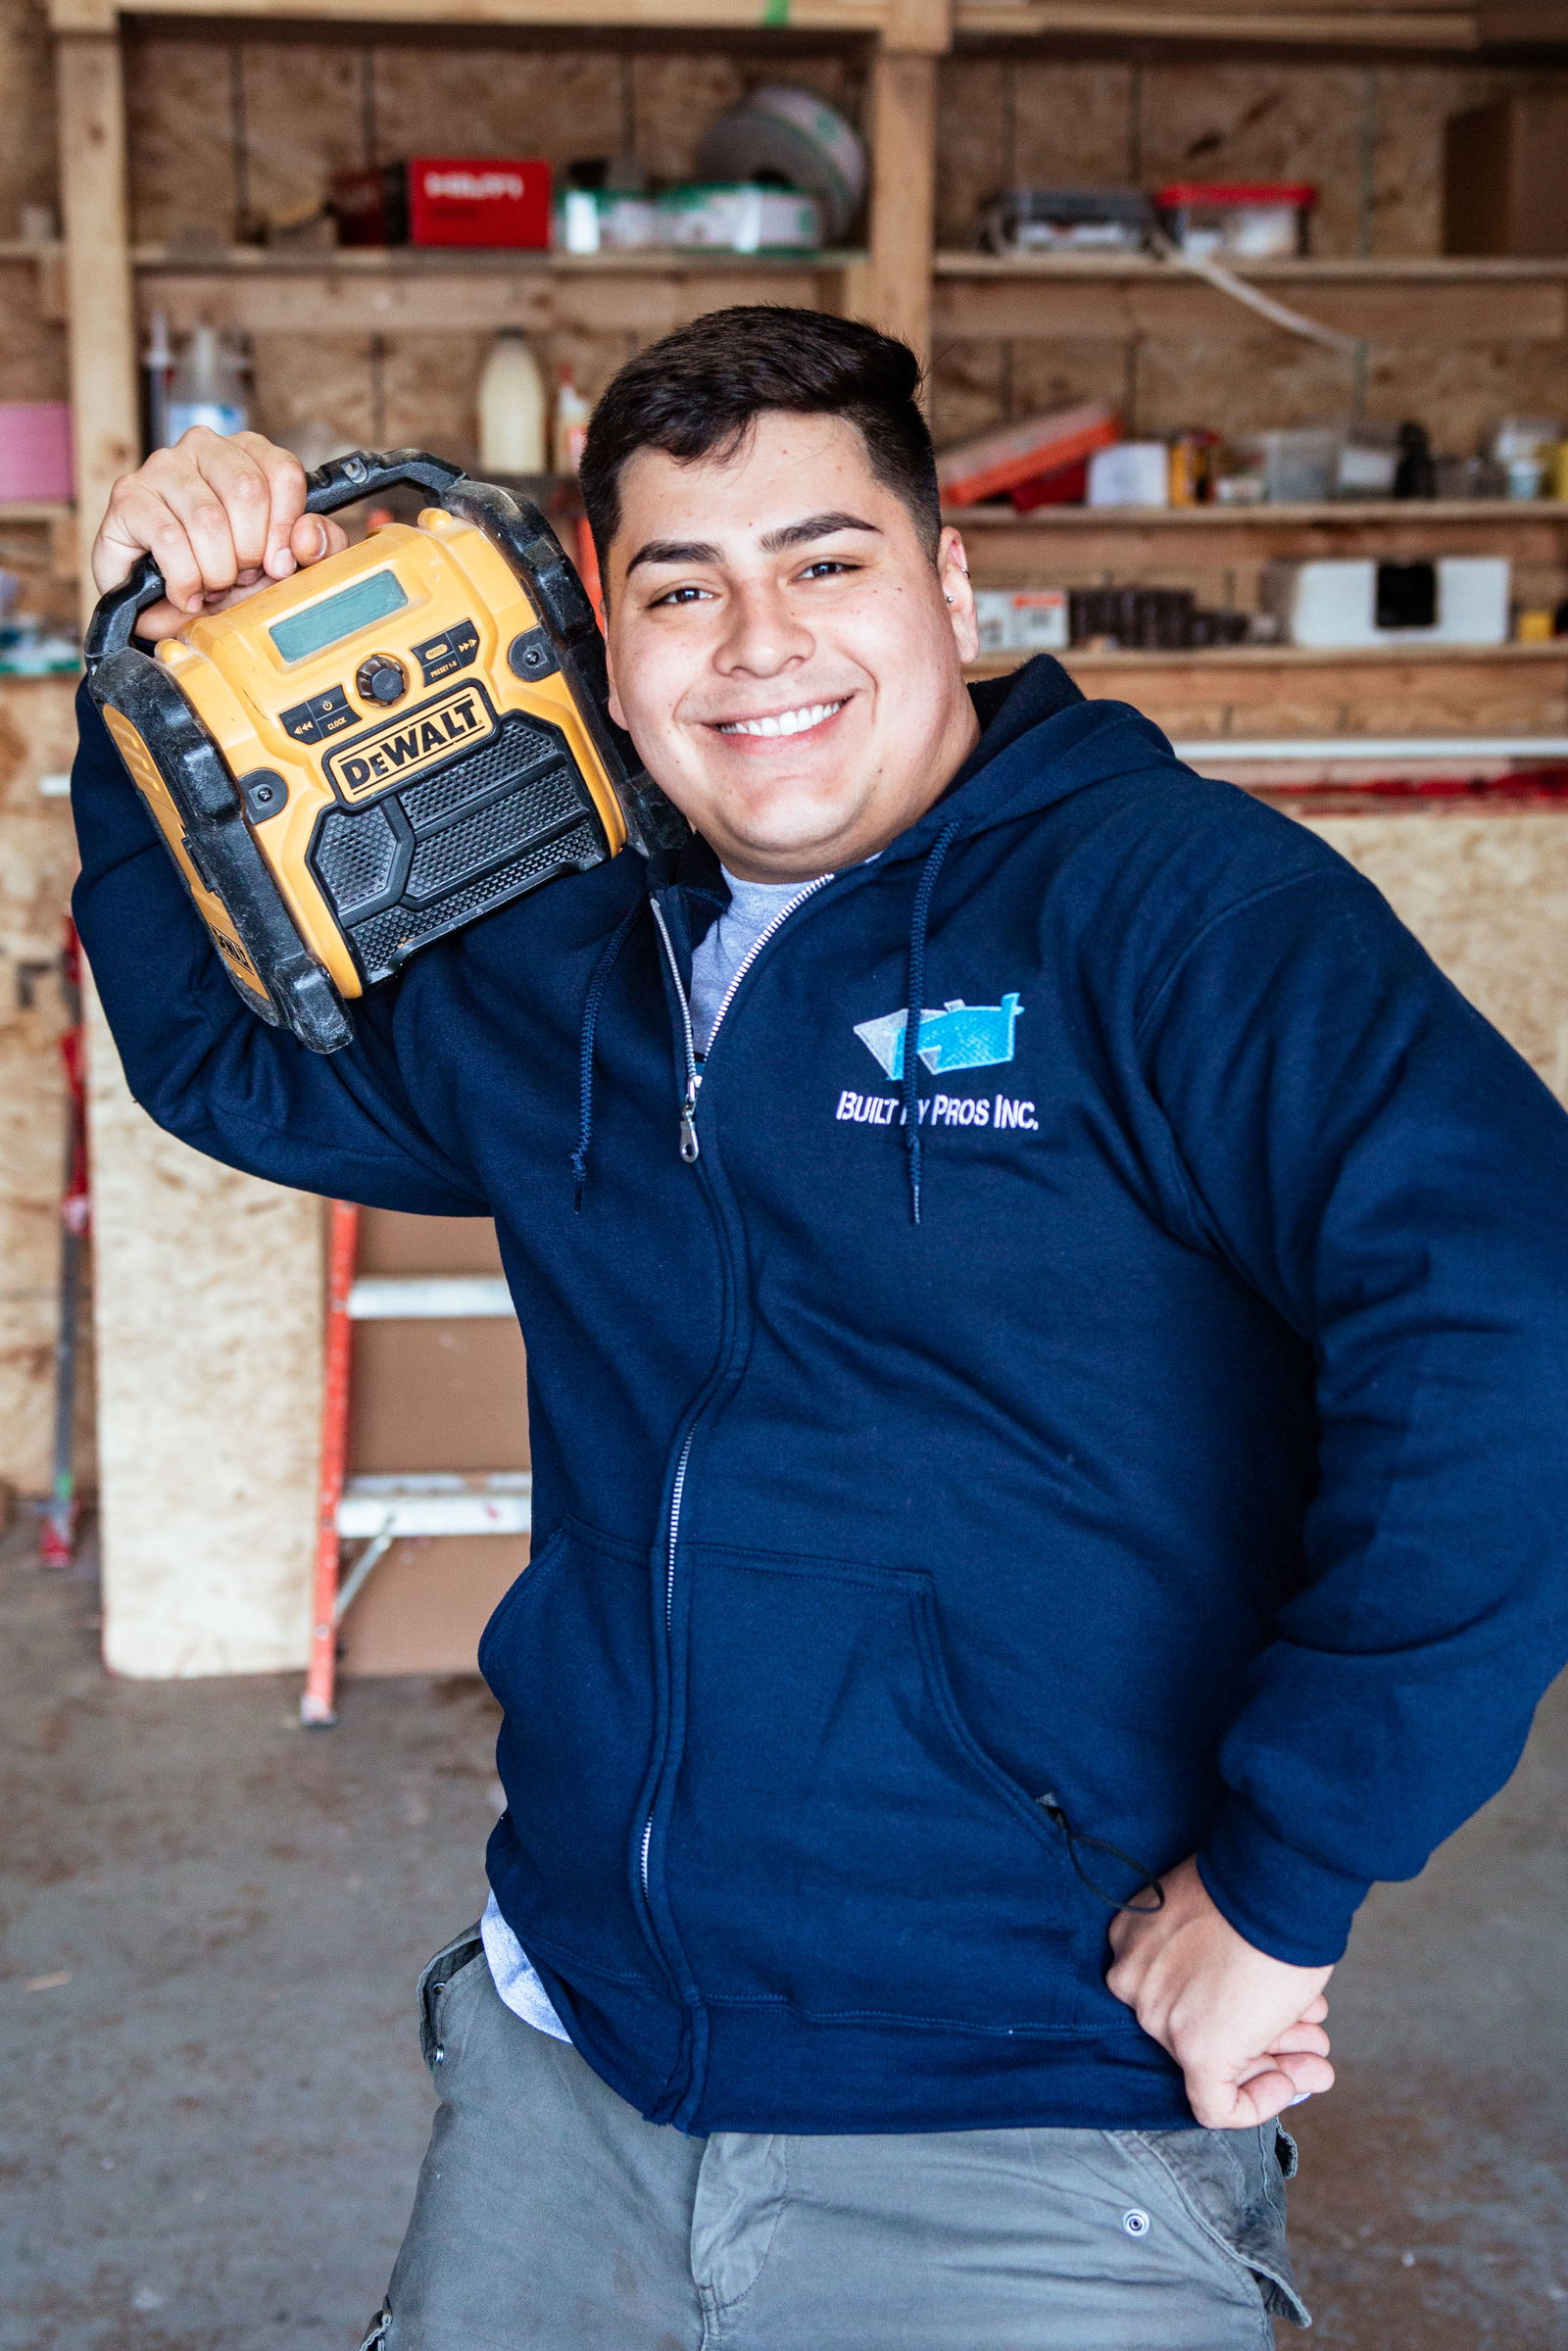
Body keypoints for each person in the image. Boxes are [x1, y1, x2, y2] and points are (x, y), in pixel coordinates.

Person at [74, 308, 1568, 2351]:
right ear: (607, 640)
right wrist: (137, 666)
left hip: (1019, 2100)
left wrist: (1285, 1884)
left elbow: (1512, 1328)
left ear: (951, 581)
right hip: (572, 2055)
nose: (758, 645)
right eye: (682, 588)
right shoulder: (571, 964)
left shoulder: (1176, 915)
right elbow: (224, 1071)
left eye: (826, 561)